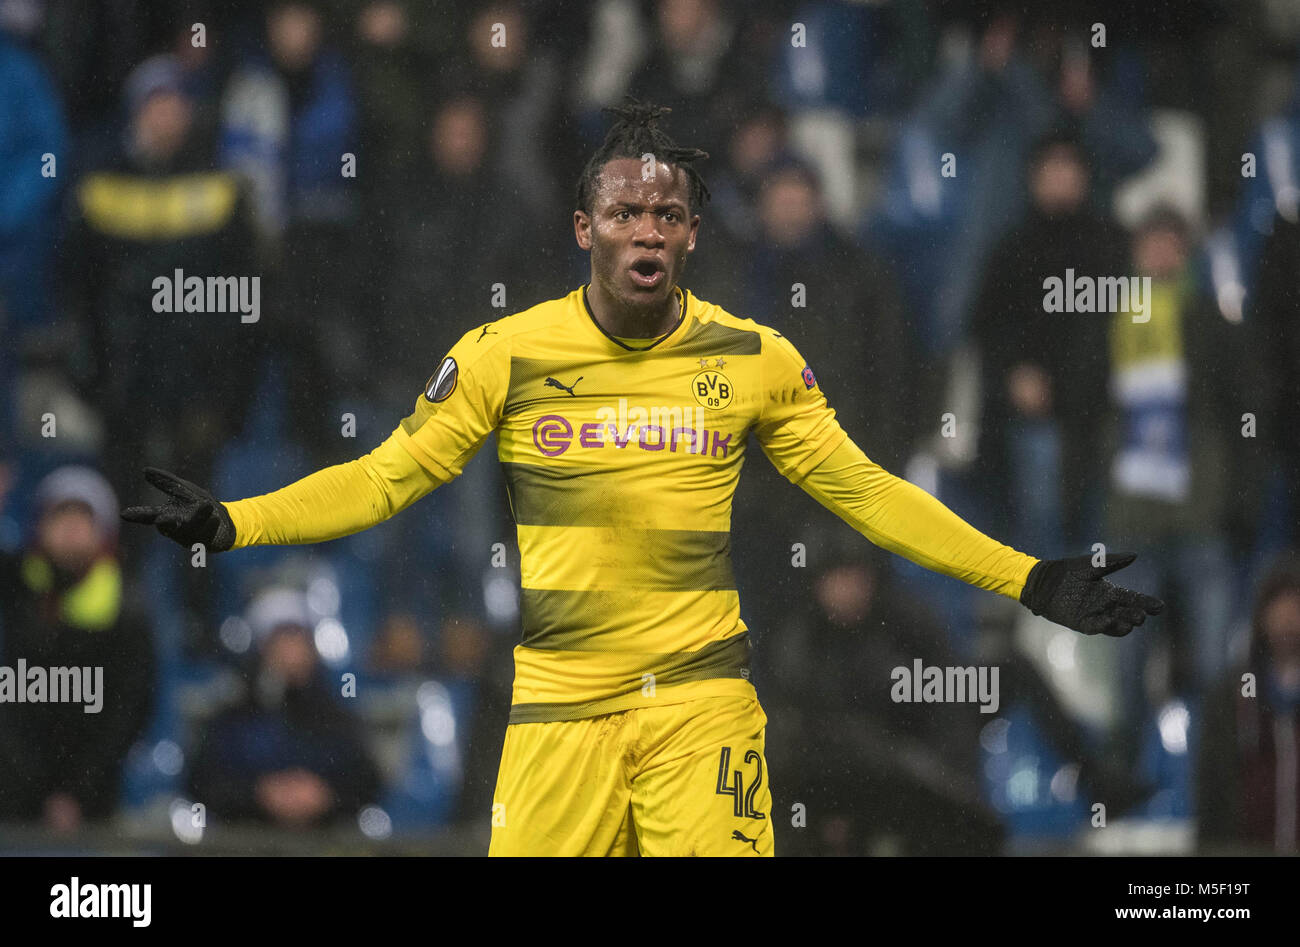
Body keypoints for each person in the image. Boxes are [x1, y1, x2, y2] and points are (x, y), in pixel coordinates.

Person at [123, 100, 1163, 857]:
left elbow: (870, 492)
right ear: (585, 229)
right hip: (557, 711)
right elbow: (386, 479)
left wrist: (1027, 578)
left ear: (693, 233)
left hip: (697, 704)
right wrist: (231, 522)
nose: (647, 229)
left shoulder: (752, 358)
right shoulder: (502, 354)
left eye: (667, 214)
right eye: (625, 212)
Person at [0, 466, 155, 829]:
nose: (71, 527)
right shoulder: (15, 583)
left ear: (103, 533)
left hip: (95, 798)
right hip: (12, 789)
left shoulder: (127, 606)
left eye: (83, 516)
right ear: (39, 527)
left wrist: (77, 792)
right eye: (60, 514)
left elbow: (129, 708)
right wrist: (30, 783)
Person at [186, 585, 381, 829]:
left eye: (298, 639)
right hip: (248, 841)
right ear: (261, 650)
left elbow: (367, 783)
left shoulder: (336, 719)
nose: (291, 652)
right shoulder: (233, 720)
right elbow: (203, 785)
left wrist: (325, 795)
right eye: (281, 640)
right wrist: (259, 794)